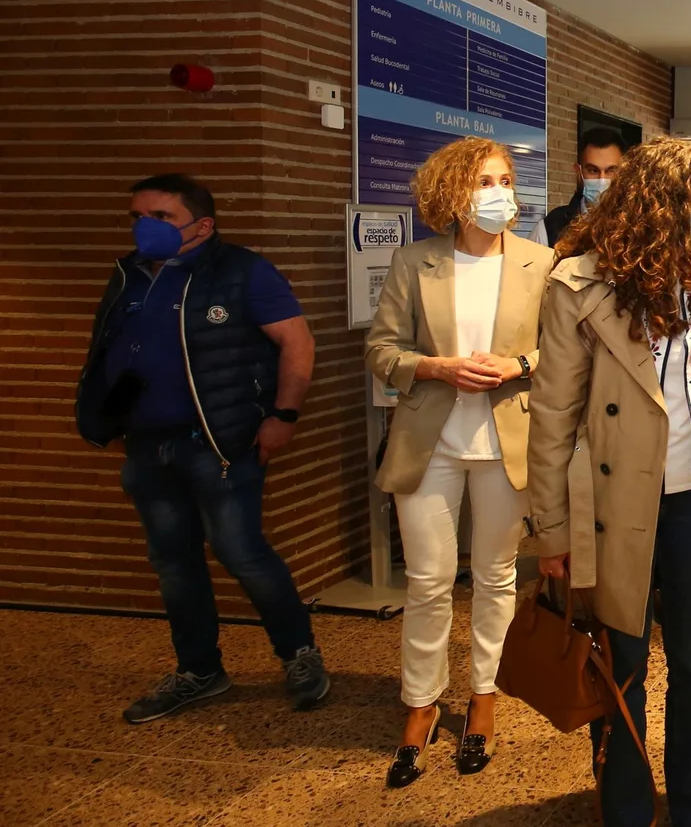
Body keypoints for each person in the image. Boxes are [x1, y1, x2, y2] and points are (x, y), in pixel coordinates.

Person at [528, 139, 691, 827]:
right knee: (620, 664)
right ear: (655, 205)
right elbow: (550, 415)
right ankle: (627, 808)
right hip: (613, 504)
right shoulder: (581, 284)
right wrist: (549, 527)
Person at [76, 174, 328, 724]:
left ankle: (299, 654)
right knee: (173, 562)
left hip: (218, 443)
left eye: (161, 217)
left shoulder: (241, 272)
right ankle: (199, 670)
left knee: (243, 554)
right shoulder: (127, 275)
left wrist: (284, 416)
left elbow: (297, 342)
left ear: (202, 225)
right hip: (147, 446)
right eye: (138, 216)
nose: (145, 227)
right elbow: (109, 349)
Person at [365, 137, 555, 788]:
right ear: (452, 191)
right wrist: (435, 365)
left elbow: (564, 349)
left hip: (509, 440)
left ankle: (484, 696)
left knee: (497, 576)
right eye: (483, 180)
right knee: (428, 579)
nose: (499, 190)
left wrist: (519, 364)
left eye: (505, 178)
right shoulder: (416, 261)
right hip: (431, 440)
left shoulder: (541, 262)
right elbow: (382, 349)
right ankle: (419, 706)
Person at [527, 126, 627, 247]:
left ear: (624, 172)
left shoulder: (637, 226)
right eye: (593, 170)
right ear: (578, 171)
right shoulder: (551, 228)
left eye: (611, 170)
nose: (602, 179)